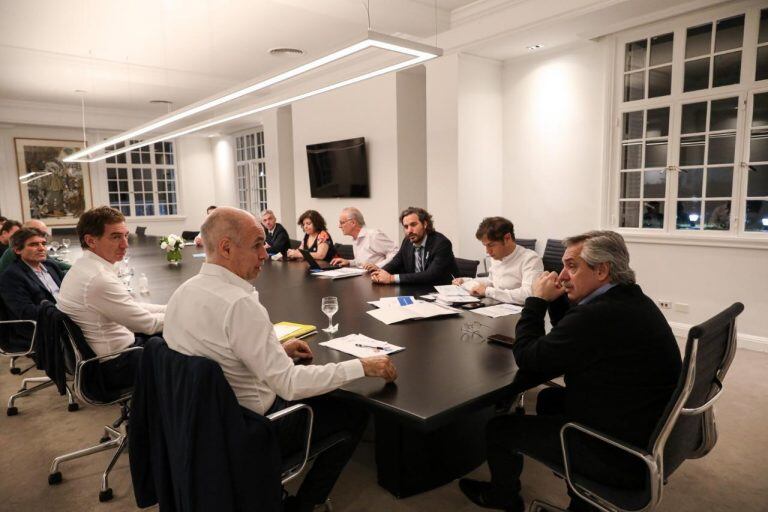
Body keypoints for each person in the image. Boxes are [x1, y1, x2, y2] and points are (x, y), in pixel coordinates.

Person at [163, 206, 397, 512]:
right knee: (352, 412)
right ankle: (305, 504)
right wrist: (361, 366)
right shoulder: (239, 304)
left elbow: (217, 350)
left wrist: (275, 349)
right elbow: (288, 385)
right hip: (252, 426)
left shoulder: (183, 293)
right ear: (226, 248)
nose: (265, 254)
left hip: (202, 422)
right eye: (257, 245)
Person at [459, 231, 682, 512]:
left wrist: (536, 302)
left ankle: (504, 498)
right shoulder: (629, 299)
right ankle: (580, 490)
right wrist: (559, 299)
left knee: (498, 428)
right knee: (547, 400)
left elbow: (531, 358)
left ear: (602, 270)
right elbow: (570, 336)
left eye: (572, 266)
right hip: (644, 424)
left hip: (620, 451)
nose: (562, 275)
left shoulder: (597, 315)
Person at [57, 206, 165, 388]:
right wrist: (185, 314)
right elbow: (148, 324)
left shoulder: (85, 267)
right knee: (195, 355)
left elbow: (132, 306)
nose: (125, 244)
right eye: (116, 237)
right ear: (91, 240)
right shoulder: (98, 279)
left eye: (125, 235)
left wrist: (174, 308)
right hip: (115, 365)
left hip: (108, 356)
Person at [452, 217, 542, 304]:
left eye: (491, 245)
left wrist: (488, 291)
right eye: (485, 246)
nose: (487, 251)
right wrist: (466, 281)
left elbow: (529, 294)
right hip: (498, 308)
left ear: (507, 238)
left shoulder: (530, 259)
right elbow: (492, 281)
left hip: (520, 313)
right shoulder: (497, 256)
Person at [0, 228, 64, 341]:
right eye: (34, 244)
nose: (41, 248)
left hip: (64, 318)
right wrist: (61, 312)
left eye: (43, 244)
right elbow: (26, 312)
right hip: (39, 328)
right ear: (17, 250)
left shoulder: (50, 266)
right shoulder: (11, 276)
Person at [369, 206, 458, 285]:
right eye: (406, 226)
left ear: (425, 224)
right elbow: (396, 262)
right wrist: (380, 273)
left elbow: (430, 275)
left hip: (439, 292)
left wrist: (391, 278)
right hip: (416, 290)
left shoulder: (441, 243)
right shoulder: (407, 241)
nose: (409, 231)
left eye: (413, 225)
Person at [329, 207, 397, 269]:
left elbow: (395, 252)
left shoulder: (373, 235)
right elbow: (362, 262)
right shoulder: (355, 238)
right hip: (363, 275)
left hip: (376, 276)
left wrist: (378, 266)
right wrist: (349, 262)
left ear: (353, 223)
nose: (339, 226)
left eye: (342, 222)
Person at [0, 219, 71, 274]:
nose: (44, 237)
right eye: (41, 233)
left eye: (45, 235)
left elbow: (52, 263)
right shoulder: (17, 251)